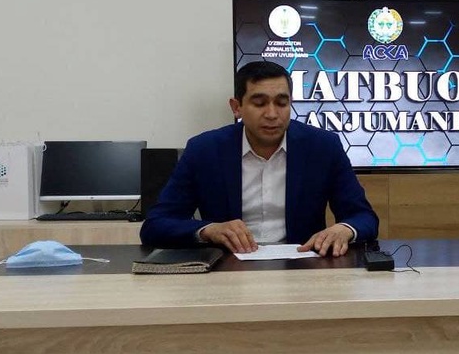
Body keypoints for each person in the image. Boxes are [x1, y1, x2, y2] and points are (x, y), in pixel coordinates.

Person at [139, 61, 379, 256]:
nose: (272, 114)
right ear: (237, 107)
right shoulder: (204, 150)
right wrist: (208, 230)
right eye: (259, 103)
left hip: (302, 267)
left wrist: (344, 229)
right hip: (228, 269)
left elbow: (364, 217)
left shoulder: (323, 147)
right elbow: (155, 225)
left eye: (281, 103)